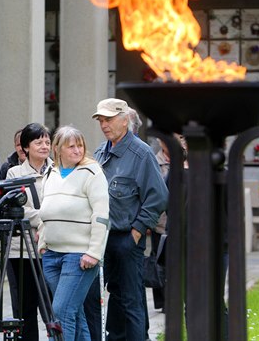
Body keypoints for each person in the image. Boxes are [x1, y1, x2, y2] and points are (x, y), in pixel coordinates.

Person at [91, 98, 168, 341]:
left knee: (132, 300)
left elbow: (158, 196)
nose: (104, 125)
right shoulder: (100, 152)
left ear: (125, 120)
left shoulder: (141, 153)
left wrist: (135, 233)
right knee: (114, 295)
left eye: (109, 119)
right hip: (103, 239)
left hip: (127, 238)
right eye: (101, 120)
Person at [38, 125, 110, 341]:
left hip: (79, 256)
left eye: (80, 146)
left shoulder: (92, 172)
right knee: (74, 313)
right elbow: (46, 210)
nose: (77, 151)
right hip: (51, 255)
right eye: (71, 147)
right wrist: (43, 241)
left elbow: (101, 215)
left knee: (61, 312)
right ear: (58, 149)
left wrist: (94, 253)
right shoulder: (50, 173)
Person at [4, 123, 52, 341]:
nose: (44, 146)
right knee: (25, 311)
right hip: (21, 250)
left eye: (47, 142)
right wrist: (44, 217)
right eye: (38, 142)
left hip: (51, 247)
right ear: (25, 147)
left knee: (53, 309)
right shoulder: (14, 172)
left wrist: (41, 217)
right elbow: (18, 208)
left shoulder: (59, 170)